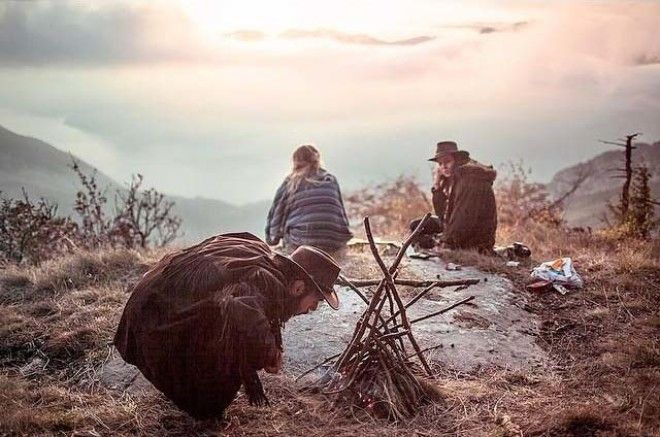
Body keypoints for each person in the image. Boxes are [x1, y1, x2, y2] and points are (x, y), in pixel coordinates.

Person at [114, 232, 341, 419]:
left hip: (145, 313)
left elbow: (259, 309)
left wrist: (272, 344)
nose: (314, 308)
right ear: (298, 288)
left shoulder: (260, 258)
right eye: (317, 300)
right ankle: (192, 391)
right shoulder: (262, 278)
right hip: (151, 326)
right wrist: (269, 354)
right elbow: (242, 309)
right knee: (212, 403)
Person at [410, 141, 497, 252]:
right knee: (416, 227)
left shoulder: (470, 181)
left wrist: (443, 243)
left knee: (423, 241)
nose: (444, 167)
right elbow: (442, 216)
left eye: (447, 161)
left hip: (474, 241)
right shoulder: (455, 179)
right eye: (440, 164)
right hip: (459, 231)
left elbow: (463, 221)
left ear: (457, 160)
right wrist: (438, 187)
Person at [266, 145, 353, 253]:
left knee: (283, 250)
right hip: (334, 240)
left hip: (302, 241)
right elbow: (340, 213)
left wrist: (272, 239)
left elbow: (276, 213)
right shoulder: (330, 179)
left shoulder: (291, 182)